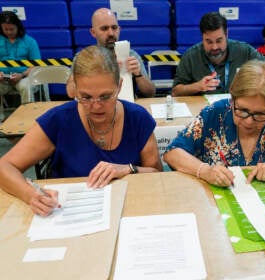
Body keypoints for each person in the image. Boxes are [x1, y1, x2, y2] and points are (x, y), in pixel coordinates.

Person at [0, 45, 162, 216]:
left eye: (106, 96)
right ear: (75, 89)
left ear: (119, 86)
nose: (96, 106)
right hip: (70, 216)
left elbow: (157, 173)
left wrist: (129, 169)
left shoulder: (138, 118)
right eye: (85, 97)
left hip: (129, 211)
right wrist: (31, 195)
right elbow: (5, 166)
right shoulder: (59, 120)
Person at [172, 12, 265, 96]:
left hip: (239, 110)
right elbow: (175, 91)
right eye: (209, 42)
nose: (214, 47)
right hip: (204, 114)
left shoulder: (244, 50)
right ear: (202, 37)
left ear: (227, 34)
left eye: (219, 40)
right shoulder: (191, 56)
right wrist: (198, 86)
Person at [90, 8, 155, 98]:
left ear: (119, 29)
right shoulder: (85, 58)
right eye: (104, 29)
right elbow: (71, 92)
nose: (111, 33)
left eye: (114, 28)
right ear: (93, 32)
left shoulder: (131, 55)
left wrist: (139, 75)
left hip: (128, 106)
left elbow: (150, 93)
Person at [0, 11, 41, 104]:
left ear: (18, 27)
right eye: (5, 29)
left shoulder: (30, 42)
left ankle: (26, 115)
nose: (9, 32)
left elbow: (36, 65)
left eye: (12, 29)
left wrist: (22, 75)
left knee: (26, 86)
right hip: (2, 79)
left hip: (24, 77)